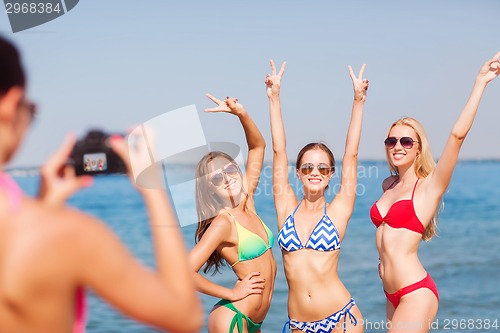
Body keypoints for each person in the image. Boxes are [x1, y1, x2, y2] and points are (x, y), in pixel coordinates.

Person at [0, 35, 203, 333]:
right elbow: (185, 315)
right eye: (30, 111)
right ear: (11, 102)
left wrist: (46, 207)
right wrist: (152, 184)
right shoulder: (67, 236)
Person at [370, 52, 500, 333]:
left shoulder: (429, 186)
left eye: (406, 140)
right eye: (392, 140)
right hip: (391, 295)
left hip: (415, 292)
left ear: (418, 147)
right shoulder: (387, 186)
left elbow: (457, 136)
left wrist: (480, 83)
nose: (398, 146)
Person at [268, 59, 368, 333]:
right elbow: (279, 151)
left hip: (341, 318)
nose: (315, 172)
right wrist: (274, 98)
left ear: (331, 174)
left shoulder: (338, 211)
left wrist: (358, 101)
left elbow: (351, 154)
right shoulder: (286, 207)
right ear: (298, 173)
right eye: (308, 167)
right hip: (299, 324)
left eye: (322, 167)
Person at [189, 94, 275, 333]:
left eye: (230, 169)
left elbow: (258, 146)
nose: (227, 179)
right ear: (210, 189)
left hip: (254, 321)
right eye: (217, 177)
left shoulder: (248, 200)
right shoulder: (223, 223)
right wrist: (231, 292)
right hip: (233, 318)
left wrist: (241, 114)